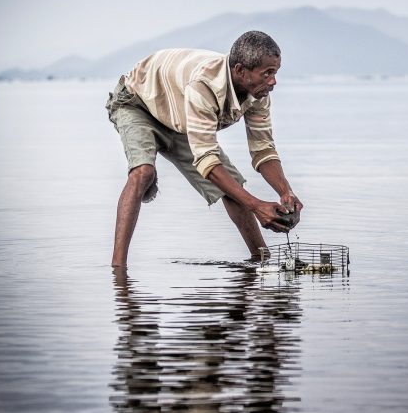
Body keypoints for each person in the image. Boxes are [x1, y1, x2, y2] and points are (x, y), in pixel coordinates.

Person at [105, 30, 302, 267]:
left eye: (275, 72)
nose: (273, 81)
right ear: (240, 70)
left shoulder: (258, 94)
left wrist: (286, 191)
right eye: (267, 73)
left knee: (233, 187)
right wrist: (256, 205)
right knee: (143, 173)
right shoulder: (204, 85)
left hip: (181, 115)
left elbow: (263, 149)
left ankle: (261, 261)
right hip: (138, 103)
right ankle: (118, 271)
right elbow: (206, 159)